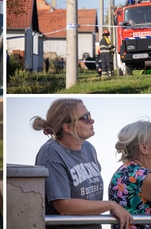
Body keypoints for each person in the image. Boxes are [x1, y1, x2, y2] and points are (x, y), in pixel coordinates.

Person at [32, 98, 133, 229]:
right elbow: (64, 207)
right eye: (85, 117)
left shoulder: (88, 148)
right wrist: (111, 205)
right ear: (67, 127)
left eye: (89, 115)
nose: (92, 120)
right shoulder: (51, 153)